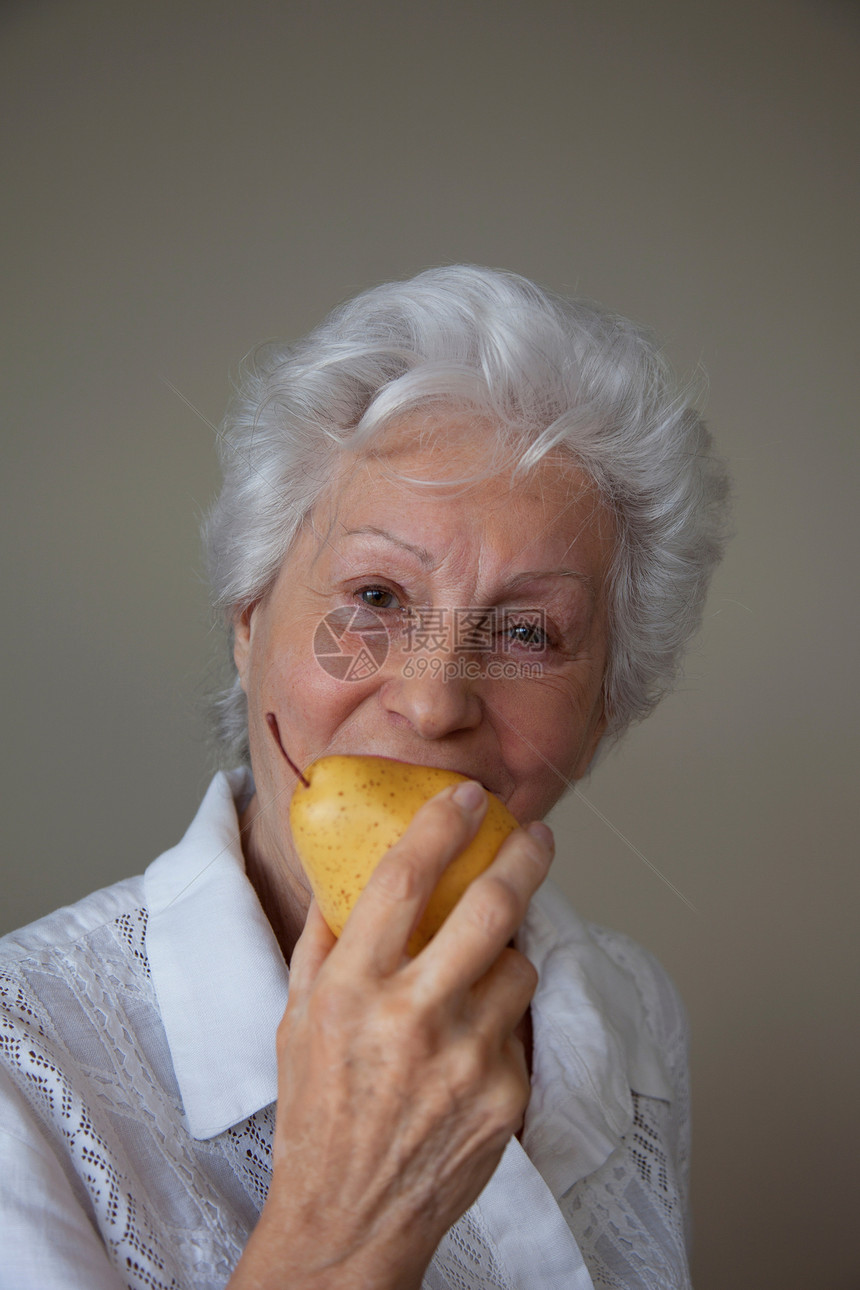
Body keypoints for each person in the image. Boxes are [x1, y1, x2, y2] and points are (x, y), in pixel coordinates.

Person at [0, 265, 729, 1289]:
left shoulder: (626, 1005)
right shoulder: (25, 1062)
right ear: (249, 619)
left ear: (607, 700)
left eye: (527, 631)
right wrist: (346, 1226)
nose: (433, 703)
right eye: (377, 594)